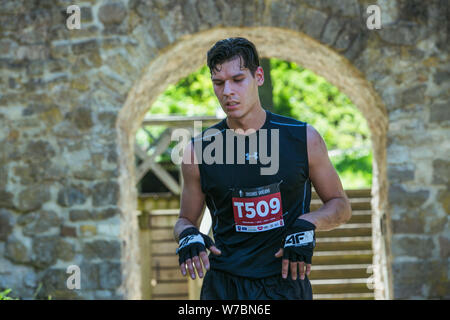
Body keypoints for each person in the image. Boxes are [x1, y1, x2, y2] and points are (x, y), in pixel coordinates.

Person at [173, 37, 352, 300]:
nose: (228, 92)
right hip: (224, 287)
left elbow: (341, 206)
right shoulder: (199, 151)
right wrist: (187, 235)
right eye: (219, 83)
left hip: (286, 283)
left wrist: (308, 222)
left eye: (238, 79)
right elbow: (184, 220)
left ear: (258, 76)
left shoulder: (304, 138)